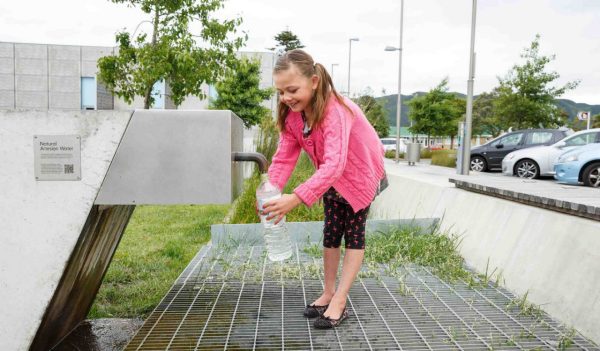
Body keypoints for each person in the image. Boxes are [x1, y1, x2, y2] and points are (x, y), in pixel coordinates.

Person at [260, 49, 387, 329]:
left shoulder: (335, 110)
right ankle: (328, 292)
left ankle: (340, 300)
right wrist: (271, 190)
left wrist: (294, 199)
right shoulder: (293, 116)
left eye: (292, 89)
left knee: (352, 234)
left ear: (314, 81)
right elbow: (283, 158)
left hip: (359, 174)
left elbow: (336, 163)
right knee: (331, 232)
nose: (286, 98)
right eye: (280, 92)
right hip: (330, 177)